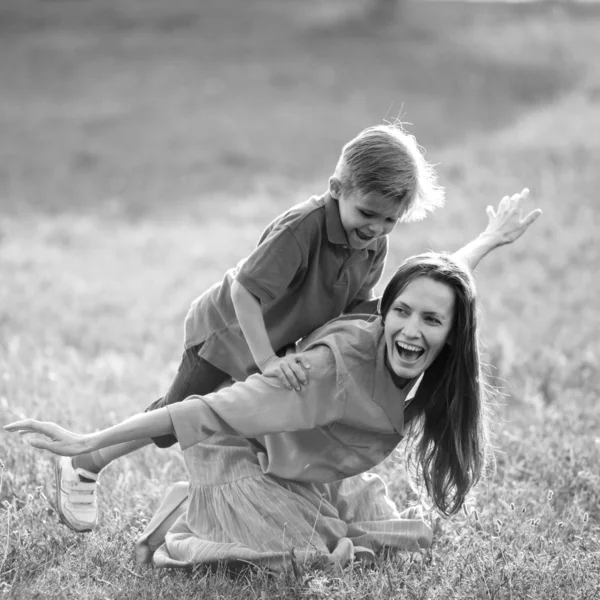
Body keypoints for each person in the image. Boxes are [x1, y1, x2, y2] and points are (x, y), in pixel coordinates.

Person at [5, 194, 541, 573]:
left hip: (292, 452)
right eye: (402, 312)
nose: (412, 326)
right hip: (243, 427)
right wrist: (88, 443)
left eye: (431, 321)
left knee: (369, 535)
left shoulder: (398, 316)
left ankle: (209, 493)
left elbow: (440, 282)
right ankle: (190, 510)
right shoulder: (327, 368)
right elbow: (204, 410)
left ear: (454, 332)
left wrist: (489, 240)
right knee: (312, 555)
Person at [50, 122, 447, 533]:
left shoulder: (372, 244)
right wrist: (267, 360)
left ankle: (247, 497)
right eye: (367, 213)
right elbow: (244, 293)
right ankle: (84, 461)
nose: (377, 228)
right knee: (181, 415)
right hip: (227, 333)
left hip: (276, 341)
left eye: (390, 220)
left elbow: (347, 311)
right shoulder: (302, 227)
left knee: (256, 422)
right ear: (336, 188)